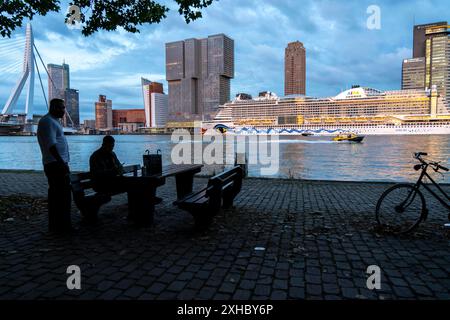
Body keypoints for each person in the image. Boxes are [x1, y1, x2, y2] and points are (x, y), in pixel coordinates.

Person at [37, 98, 72, 233]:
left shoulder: (53, 121)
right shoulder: (48, 122)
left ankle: (60, 225)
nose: (64, 111)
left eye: (64, 108)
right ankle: (60, 227)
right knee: (60, 196)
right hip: (55, 165)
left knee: (61, 195)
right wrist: (61, 162)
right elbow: (51, 145)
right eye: (61, 108)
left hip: (56, 164)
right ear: (53, 108)